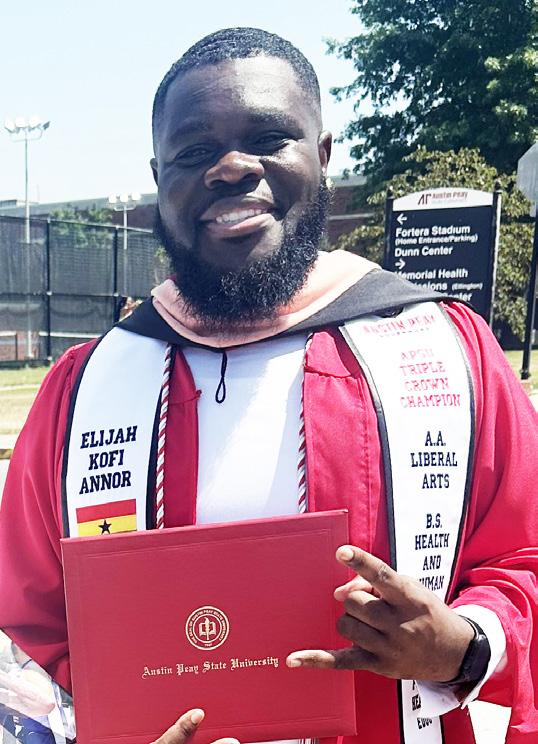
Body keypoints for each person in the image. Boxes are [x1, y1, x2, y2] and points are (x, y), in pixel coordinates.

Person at [1, 27, 537, 744]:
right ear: (159, 178)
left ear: (322, 155)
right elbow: (29, 629)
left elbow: (523, 559)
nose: (230, 168)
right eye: (194, 152)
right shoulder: (84, 390)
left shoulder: (447, 349)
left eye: (268, 138)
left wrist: (465, 645)